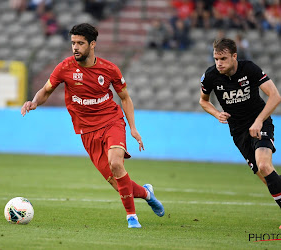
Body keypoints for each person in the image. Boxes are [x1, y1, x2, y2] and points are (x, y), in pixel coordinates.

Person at [21, 23, 165, 228]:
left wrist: (132, 128)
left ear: (92, 44)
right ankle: (147, 193)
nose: (75, 47)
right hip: (87, 131)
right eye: (73, 43)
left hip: (111, 121)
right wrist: (34, 102)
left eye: (80, 43)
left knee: (116, 164)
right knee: (118, 183)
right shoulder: (64, 68)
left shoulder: (109, 69)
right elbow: (46, 90)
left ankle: (131, 217)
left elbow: (125, 98)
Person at [199, 38, 281, 209]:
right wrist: (216, 113)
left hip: (260, 123)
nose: (219, 63)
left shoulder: (249, 69)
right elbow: (203, 101)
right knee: (267, 179)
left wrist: (259, 121)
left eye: (223, 59)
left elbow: (275, 96)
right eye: (216, 59)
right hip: (238, 131)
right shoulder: (210, 76)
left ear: (234, 56)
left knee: (264, 165)